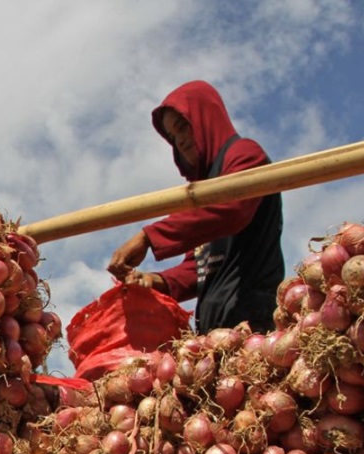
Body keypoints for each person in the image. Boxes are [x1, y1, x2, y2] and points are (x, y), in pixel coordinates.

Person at [107, 80, 284, 334]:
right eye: (173, 136)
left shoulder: (245, 154)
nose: (180, 141)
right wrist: (154, 280)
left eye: (183, 127)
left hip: (254, 326)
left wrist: (148, 237)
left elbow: (230, 209)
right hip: (215, 334)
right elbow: (197, 269)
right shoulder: (201, 192)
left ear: (205, 118)